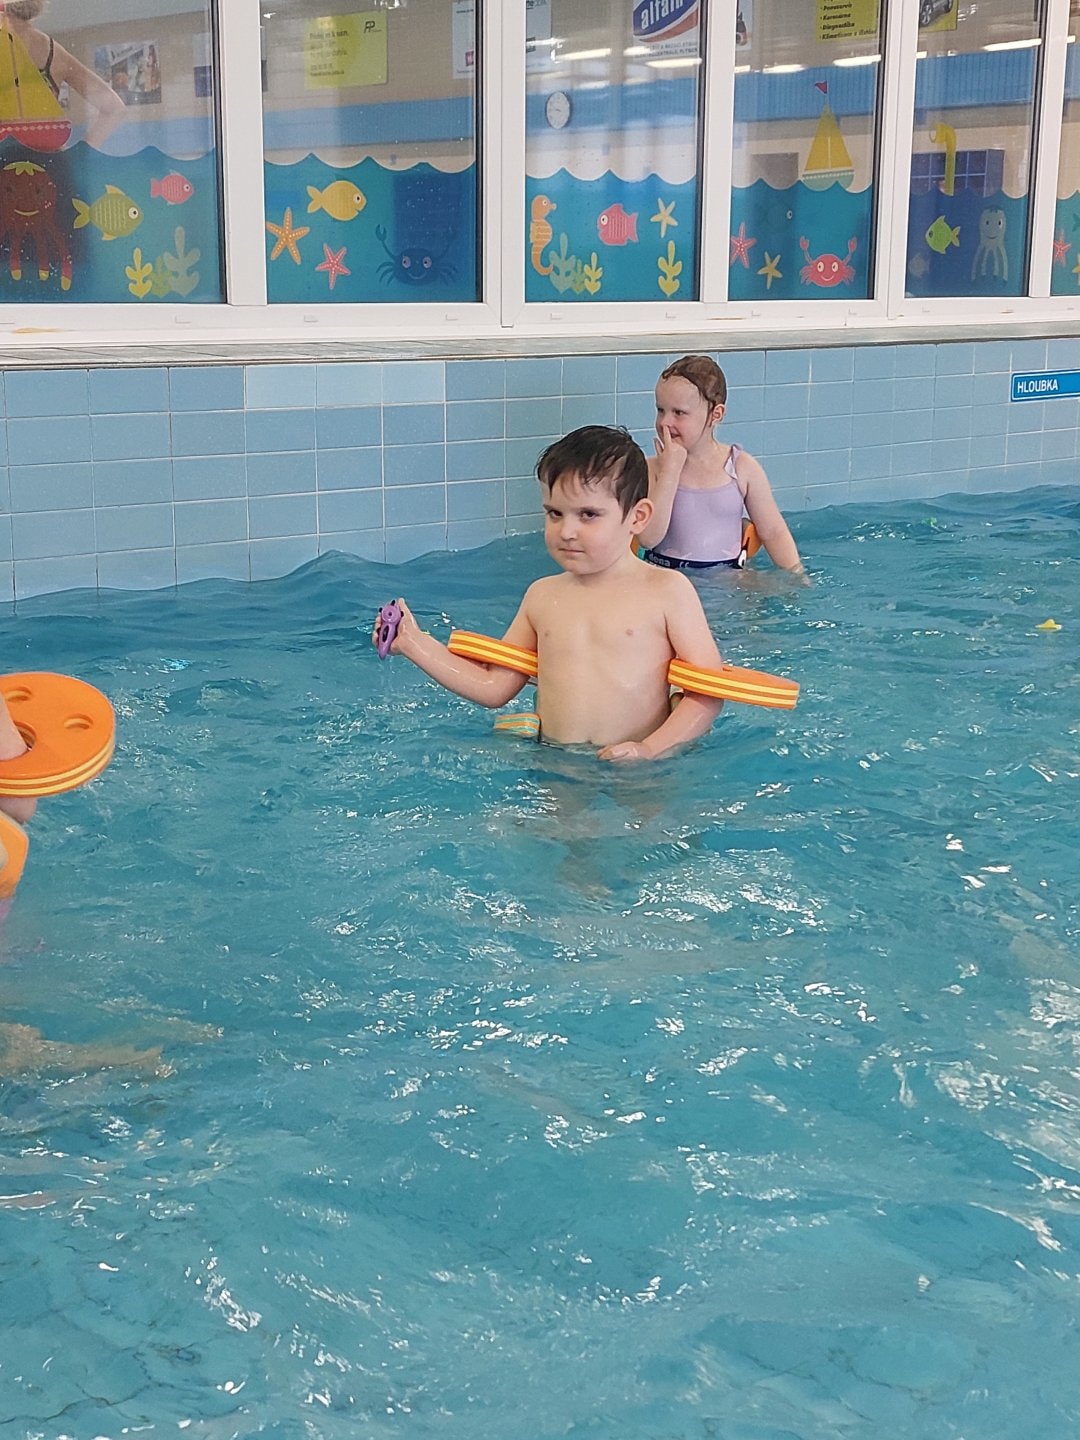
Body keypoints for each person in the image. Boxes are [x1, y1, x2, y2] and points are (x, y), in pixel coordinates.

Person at [378, 426, 726, 763]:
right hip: (557, 764)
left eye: (588, 514)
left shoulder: (667, 592)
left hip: (643, 768)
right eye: (555, 513)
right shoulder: (542, 597)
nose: (567, 531)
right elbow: (494, 687)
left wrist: (650, 749)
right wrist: (413, 643)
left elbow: (707, 694)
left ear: (638, 517)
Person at [637, 354, 806, 576]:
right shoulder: (652, 470)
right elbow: (648, 539)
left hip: (729, 578)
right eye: (661, 410)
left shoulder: (740, 468)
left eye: (679, 413)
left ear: (715, 415)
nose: (665, 422)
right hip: (669, 578)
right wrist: (670, 472)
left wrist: (797, 576)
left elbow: (773, 532)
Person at [1, 0, 126, 150]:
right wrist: (81, 154)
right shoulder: (54, 53)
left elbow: (114, 108)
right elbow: (113, 107)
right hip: (50, 160)